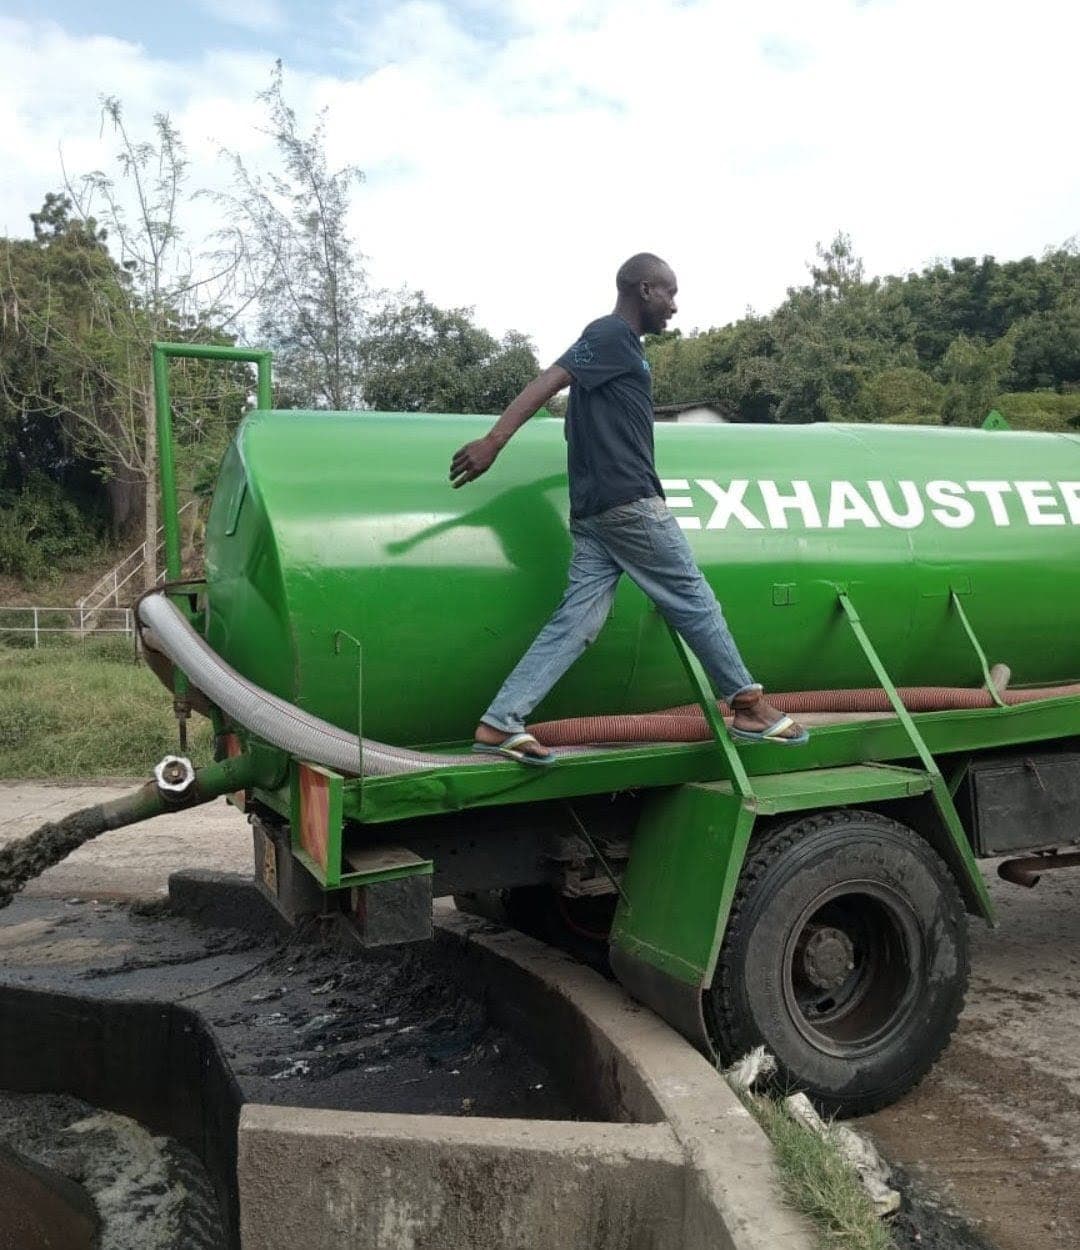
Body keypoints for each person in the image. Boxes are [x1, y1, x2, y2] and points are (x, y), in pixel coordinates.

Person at [449, 253, 807, 764]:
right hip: (627, 504)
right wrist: (494, 441)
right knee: (692, 596)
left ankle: (500, 720)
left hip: (596, 512)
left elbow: (578, 420)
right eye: (670, 293)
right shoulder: (610, 335)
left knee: (578, 623)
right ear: (644, 290)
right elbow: (548, 380)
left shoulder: (621, 352)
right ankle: (747, 704)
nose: (675, 307)